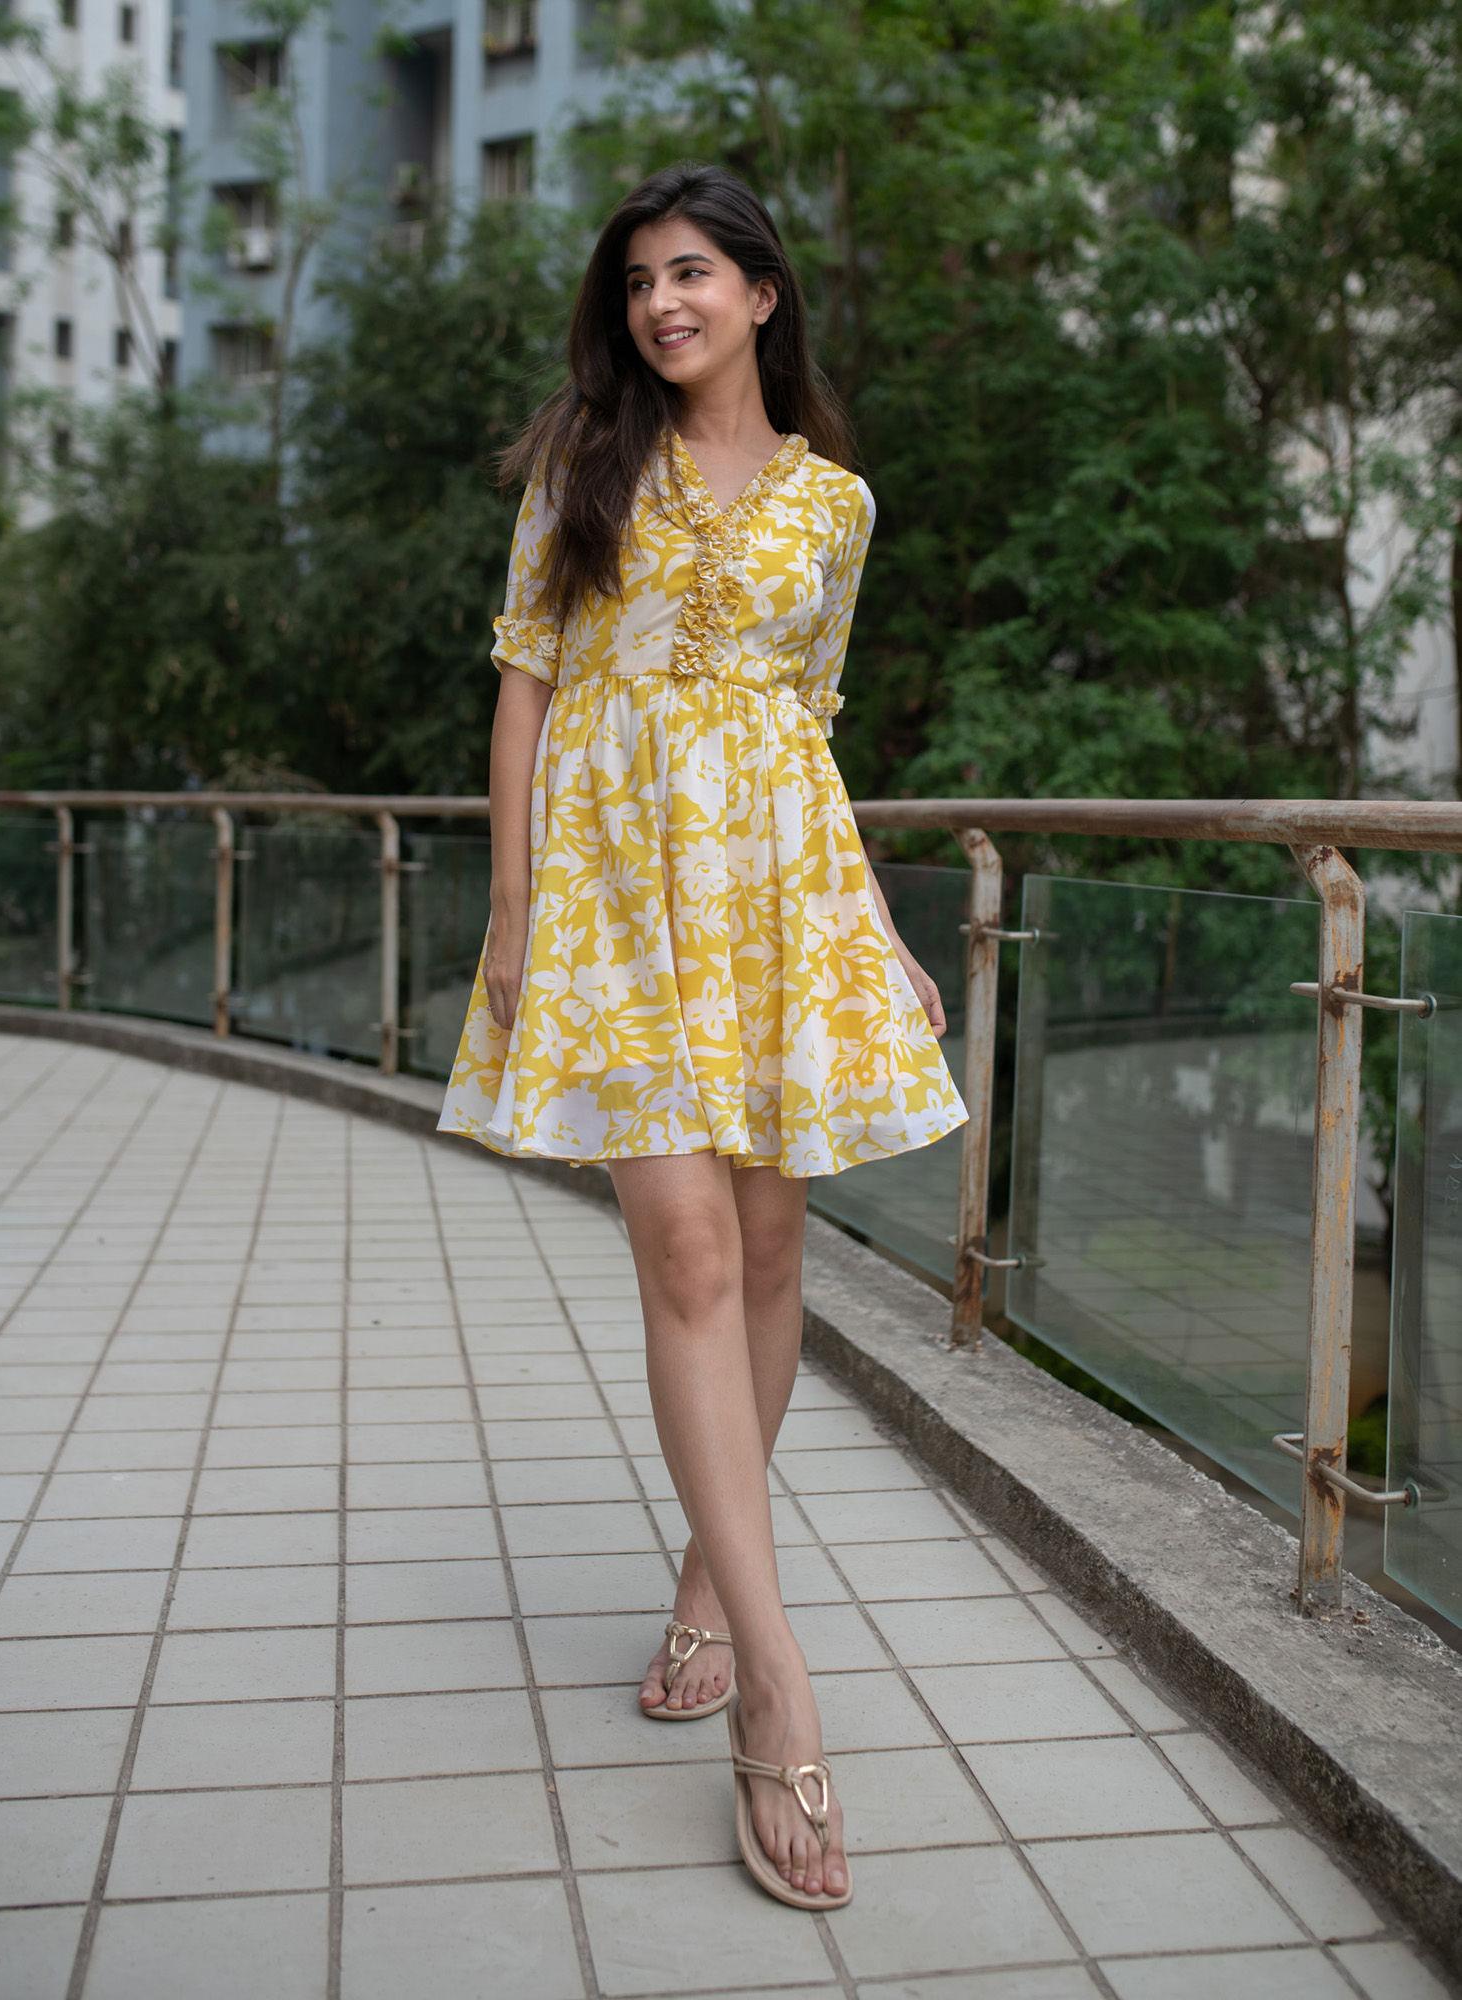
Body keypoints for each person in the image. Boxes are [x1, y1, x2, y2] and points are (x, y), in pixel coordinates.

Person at [437, 161, 968, 1911]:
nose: (662, 303)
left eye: (692, 274)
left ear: (760, 292)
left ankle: (700, 1587)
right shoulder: (584, 467)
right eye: (640, 280)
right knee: (678, 1250)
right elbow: (526, 681)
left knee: (762, 1247)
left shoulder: (839, 506)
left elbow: (806, 732)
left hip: (772, 900)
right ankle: (782, 1687)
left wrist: (876, 926)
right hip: (605, 894)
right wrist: (514, 909)